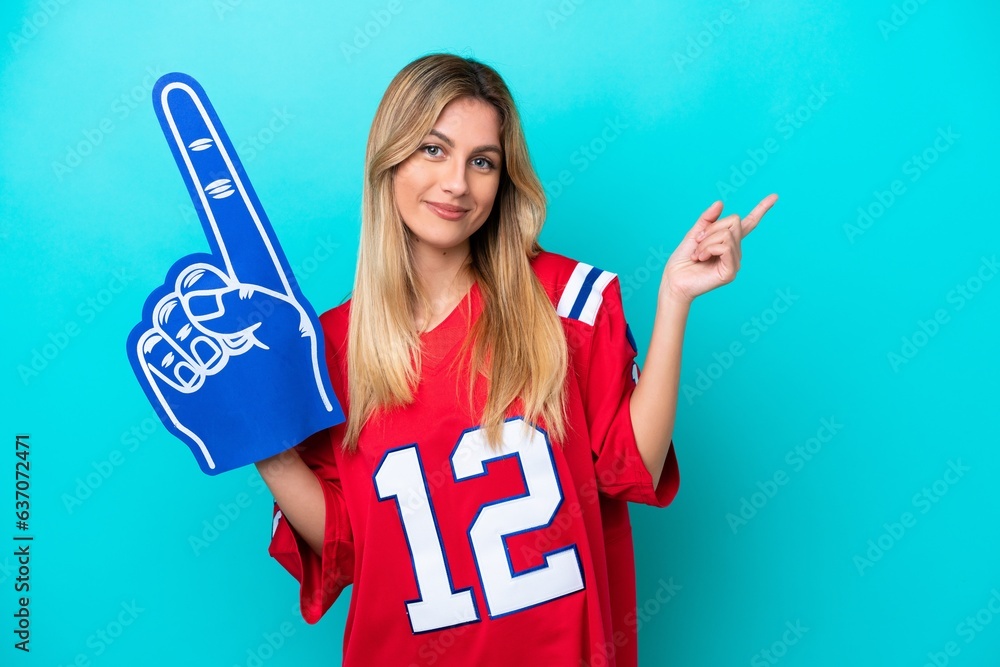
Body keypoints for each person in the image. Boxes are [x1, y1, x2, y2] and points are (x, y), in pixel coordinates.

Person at [255, 52, 777, 666]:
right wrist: (262, 441)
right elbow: (347, 543)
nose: (456, 183)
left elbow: (629, 465)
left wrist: (674, 301)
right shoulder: (330, 351)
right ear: (388, 159)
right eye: (433, 149)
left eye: (483, 162)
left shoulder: (569, 302)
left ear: (505, 179)